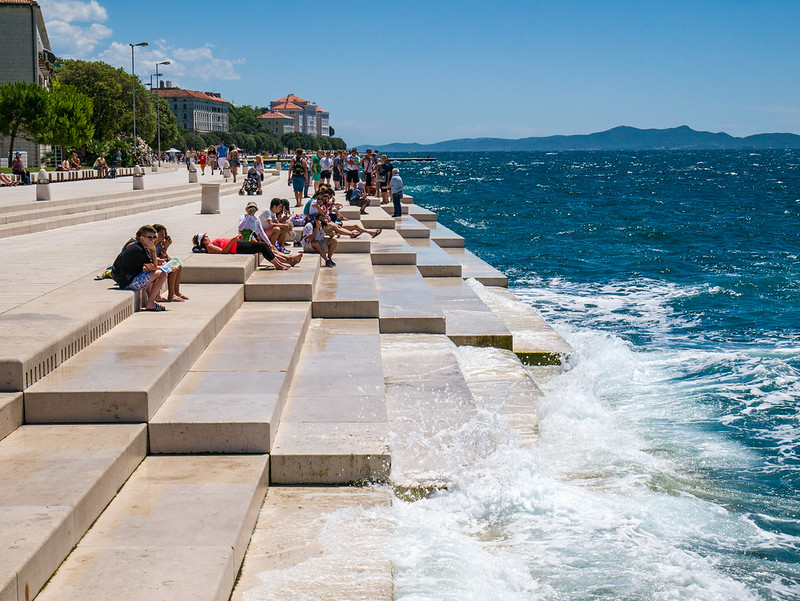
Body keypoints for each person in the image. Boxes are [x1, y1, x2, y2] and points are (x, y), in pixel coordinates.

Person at [111, 225, 169, 311]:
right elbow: (153, 268)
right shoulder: (138, 249)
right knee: (162, 274)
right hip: (128, 282)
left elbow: (150, 265)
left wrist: (159, 263)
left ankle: (151, 300)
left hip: (126, 279)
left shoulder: (139, 247)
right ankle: (150, 303)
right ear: (142, 238)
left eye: (154, 237)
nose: (152, 240)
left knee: (152, 273)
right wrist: (153, 251)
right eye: (150, 237)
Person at [193, 232, 301, 270]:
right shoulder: (210, 246)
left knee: (263, 246)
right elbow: (222, 251)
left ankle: (280, 263)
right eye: (205, 237)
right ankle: (278, 265)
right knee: (262, 246)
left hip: (237, 244)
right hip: (237, 247)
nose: (207, 236)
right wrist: (232, 241)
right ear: (203, 241)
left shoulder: (211, 243)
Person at [152, 223, 188, 302]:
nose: (164, 236)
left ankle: (176, 292)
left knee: (177, 265)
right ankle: (171, 294)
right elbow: (158, 261)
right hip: (153, 267)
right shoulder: (153, 245)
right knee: (172, 268)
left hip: (157, 265)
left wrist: (173, 261)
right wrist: (165, 248)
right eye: (161, 234)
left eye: (164, 234)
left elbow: (166, 258)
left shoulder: (159, 245)